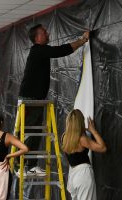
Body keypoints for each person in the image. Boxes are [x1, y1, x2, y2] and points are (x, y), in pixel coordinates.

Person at [17, 24, 90, 176]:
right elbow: (61, 50)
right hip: (30, 99)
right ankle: (21, 165)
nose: (47, 33)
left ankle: (29, 165)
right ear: (37, 37)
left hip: (35, 99)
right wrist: (83, 40)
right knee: (29, 132)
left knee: (34, 133)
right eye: (44, 32)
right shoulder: (38, 50)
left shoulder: (40, 51)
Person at [62, 109, 106, 200]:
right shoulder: (82, 139)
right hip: (83, 175)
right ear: (80, 122)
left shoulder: (65, 137)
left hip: (73, 175)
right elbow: (102, 148)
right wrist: (93, 131)